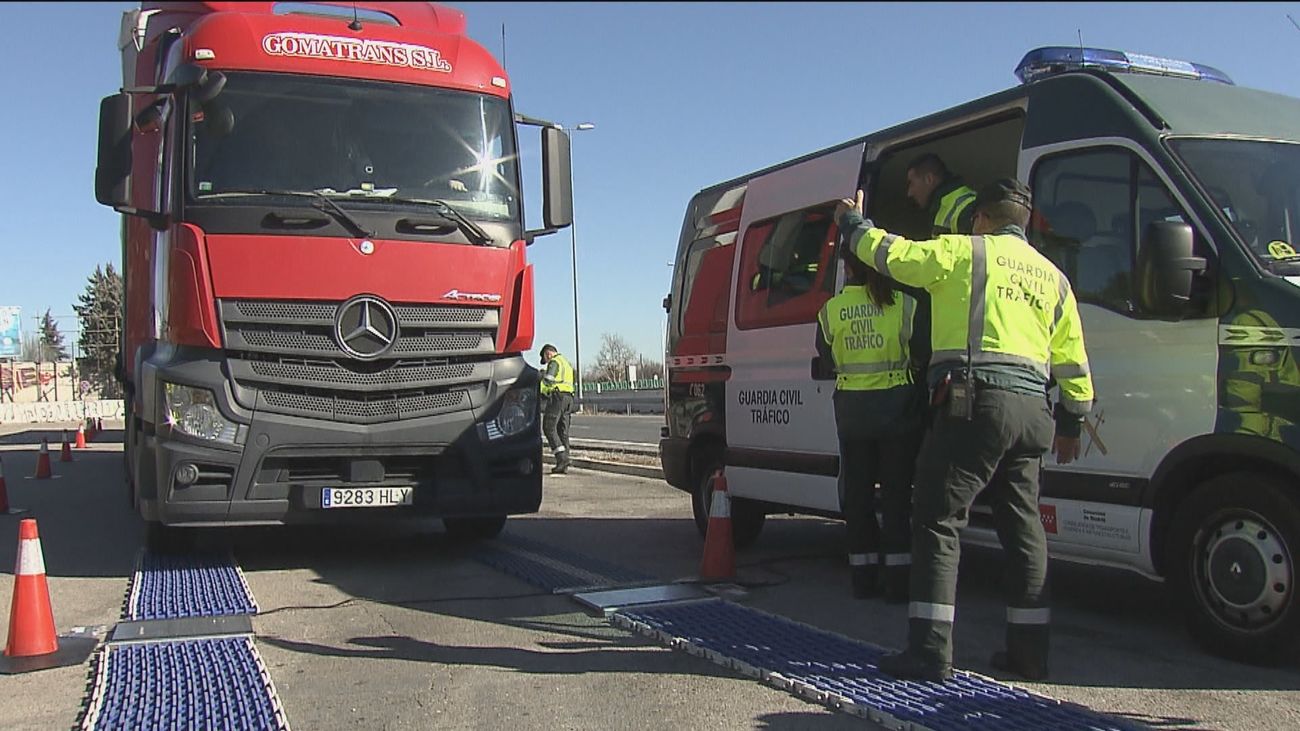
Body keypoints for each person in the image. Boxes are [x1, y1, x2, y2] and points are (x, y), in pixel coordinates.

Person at [835, 178, 1094, 683]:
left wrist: (853, 223)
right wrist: (1072, 421)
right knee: (1023, 528)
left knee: (937, 518)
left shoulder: (963, 252)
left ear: (981, 219)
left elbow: (892, 256)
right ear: (1022, 224)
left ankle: (930, 652)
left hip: (975, 404)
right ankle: (1028, 655)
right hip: (1033, 413)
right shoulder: (1054, 278)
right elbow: (1074, 362)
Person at [815, 254, 928, 602]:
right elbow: (922, 354)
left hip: (853, 415)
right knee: (896, 499)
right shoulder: (905, 306)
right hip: (898, 413)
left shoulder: (830, 311)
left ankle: (863, 580)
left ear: (848, 269)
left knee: (859, 499)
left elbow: (827, 356)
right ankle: (898, 583)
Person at [906, 153, 978, 236]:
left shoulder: (967, 207)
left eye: (911, 183)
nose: (909, 193)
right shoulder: (939, 208)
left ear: (929, 179)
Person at [539, 344, 576, 474]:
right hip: (569, 398)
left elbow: (548, 381)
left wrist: (538, 389)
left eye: (545, 359)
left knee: (549, 427)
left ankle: (561, 458)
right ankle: (564, 463)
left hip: (558, 397)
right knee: (562, 431)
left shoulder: (554, 362)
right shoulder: (566, 363)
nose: (546, 362)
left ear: (548, 353)